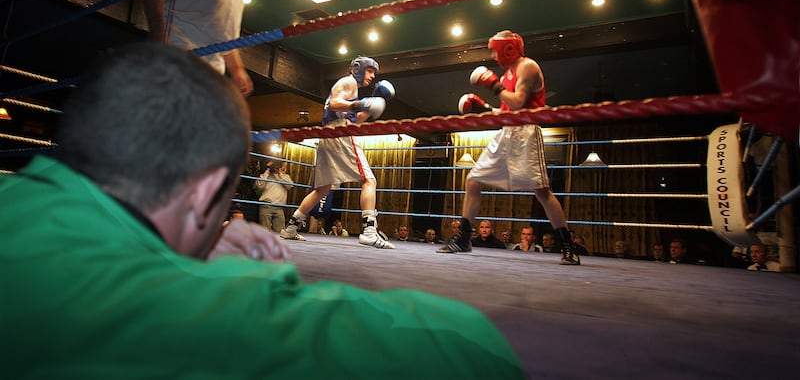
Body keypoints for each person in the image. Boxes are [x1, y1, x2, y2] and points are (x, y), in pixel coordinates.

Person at [0, 43, 523, 378]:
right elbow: (474, 349)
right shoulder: (178, 313)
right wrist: (218, 279)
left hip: (323, 144)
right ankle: (365, 229)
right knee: (366, 181)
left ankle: (298, 223)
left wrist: (183, 248)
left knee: (320, 190)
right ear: (206, 195)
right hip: (337, 136)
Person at [438, 30, 580, 265]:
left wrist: (492, 85)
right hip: (506, 132)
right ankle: (463, 239)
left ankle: (568, 247)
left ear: (509, 48)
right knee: (473, 180)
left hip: (526, 132)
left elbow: (519, 102)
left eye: (495, 50)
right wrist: (482, 107)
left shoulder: (527, 67)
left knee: (542, 191)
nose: (493, 55)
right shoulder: (506, 77)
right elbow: (506, 111)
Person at [280, 56, 397, 249]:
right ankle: (369, 231)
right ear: (359, 68)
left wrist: (373, 102)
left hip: (329, 136)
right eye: (370, 71)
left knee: (322, 189)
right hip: (340, 133)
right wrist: (360, 104)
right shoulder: (348, 81)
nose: (373, 75)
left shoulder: (354, 89)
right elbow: (334, 103)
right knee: (369, 180)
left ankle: (290, 228)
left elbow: (356, 120)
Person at [254, 159, 293, 232]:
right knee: (264, 231)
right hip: (266, 205)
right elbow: (260, 186)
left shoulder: (286, 176)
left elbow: (290, 186)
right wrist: (267, 170)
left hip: (279, 207)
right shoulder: (266, 175)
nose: (284, 166)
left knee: (280, 231)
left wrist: (280, 174)